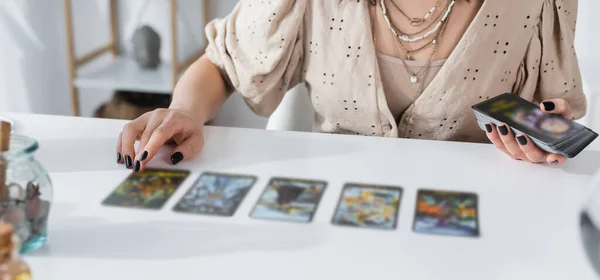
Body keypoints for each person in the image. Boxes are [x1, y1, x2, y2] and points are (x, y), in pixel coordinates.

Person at [117, 0, 586, 171]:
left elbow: (550, 118)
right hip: (337, 240)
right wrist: (184, 111)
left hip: (477, 240)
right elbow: (222, 64)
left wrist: (539, 138)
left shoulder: (540, 4)